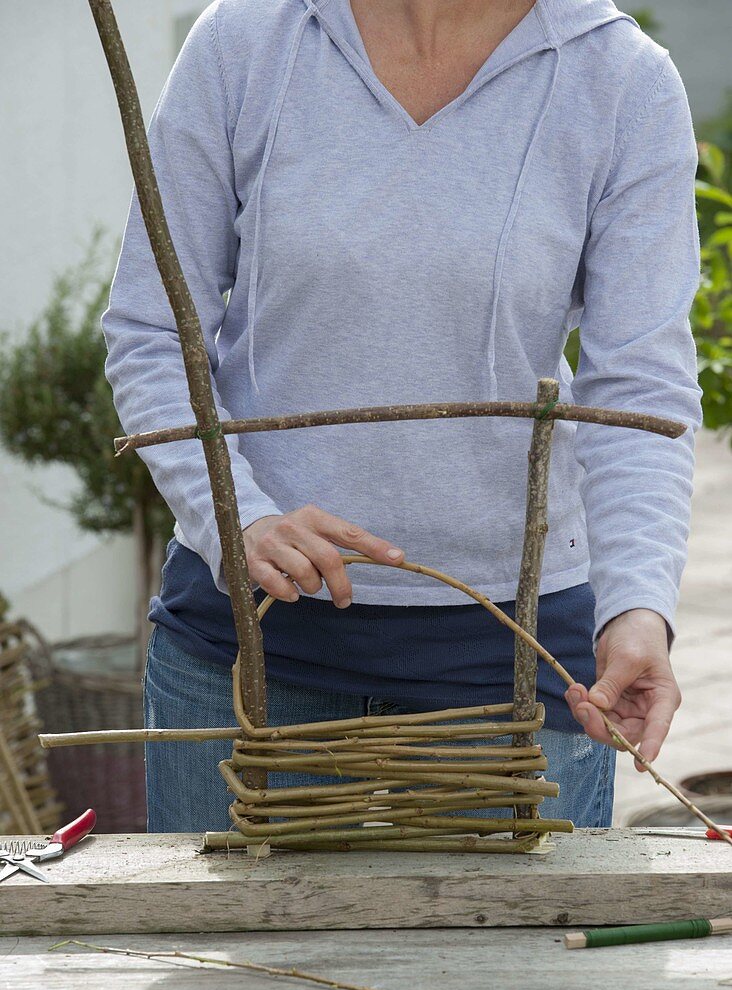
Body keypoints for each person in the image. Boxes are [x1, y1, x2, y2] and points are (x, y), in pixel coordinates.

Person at [101, 0, 703, 834]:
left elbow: (638, 387)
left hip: (516, 663)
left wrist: (637, 605)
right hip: (251, 644)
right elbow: (153, 329)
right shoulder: (245, 43)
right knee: (230, 964)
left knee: (517, 968)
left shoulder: (622, 79)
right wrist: (234, 517)